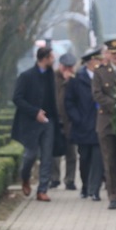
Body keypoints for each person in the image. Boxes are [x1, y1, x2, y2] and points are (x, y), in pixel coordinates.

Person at [11, 46, 58, 202]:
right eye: (52, 57)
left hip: (49, 121)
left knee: (47, 156)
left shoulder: (51, 75)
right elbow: (17, 98)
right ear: (44, 58)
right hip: (31, 123)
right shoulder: (26, 76)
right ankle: (25, 177)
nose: (54, 59)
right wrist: (35, 112)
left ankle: (42, 189)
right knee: (30, 155)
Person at [92, 38, 116, 210]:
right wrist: (115, 104)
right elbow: (97, 94)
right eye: (112, 53)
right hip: (106, 121)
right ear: (108, 54)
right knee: (110, 160)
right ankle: (113, 195)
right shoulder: (100, 72)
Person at [65, 48, 104, 201]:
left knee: (98, 158)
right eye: (96, 60)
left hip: (99, 124)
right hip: (82, 126)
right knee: (85, 159)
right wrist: (77, 118)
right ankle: (86, 186)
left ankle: (95, 190)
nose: (99, 63)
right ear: (90, 62)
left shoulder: (102, 77)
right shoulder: (77, 79)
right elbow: (69, 101)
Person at [51, 52, 78, 190]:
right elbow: (58, 98)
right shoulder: (53, 78)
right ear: (60, 66)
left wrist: (69, 82)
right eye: (65, 67)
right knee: (54, 153)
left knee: (71, 153)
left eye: (70, 67)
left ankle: (70, 179)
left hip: (69, 122)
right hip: (55, 120)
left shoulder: (75, 80)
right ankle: (54, 178)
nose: (67, 70)